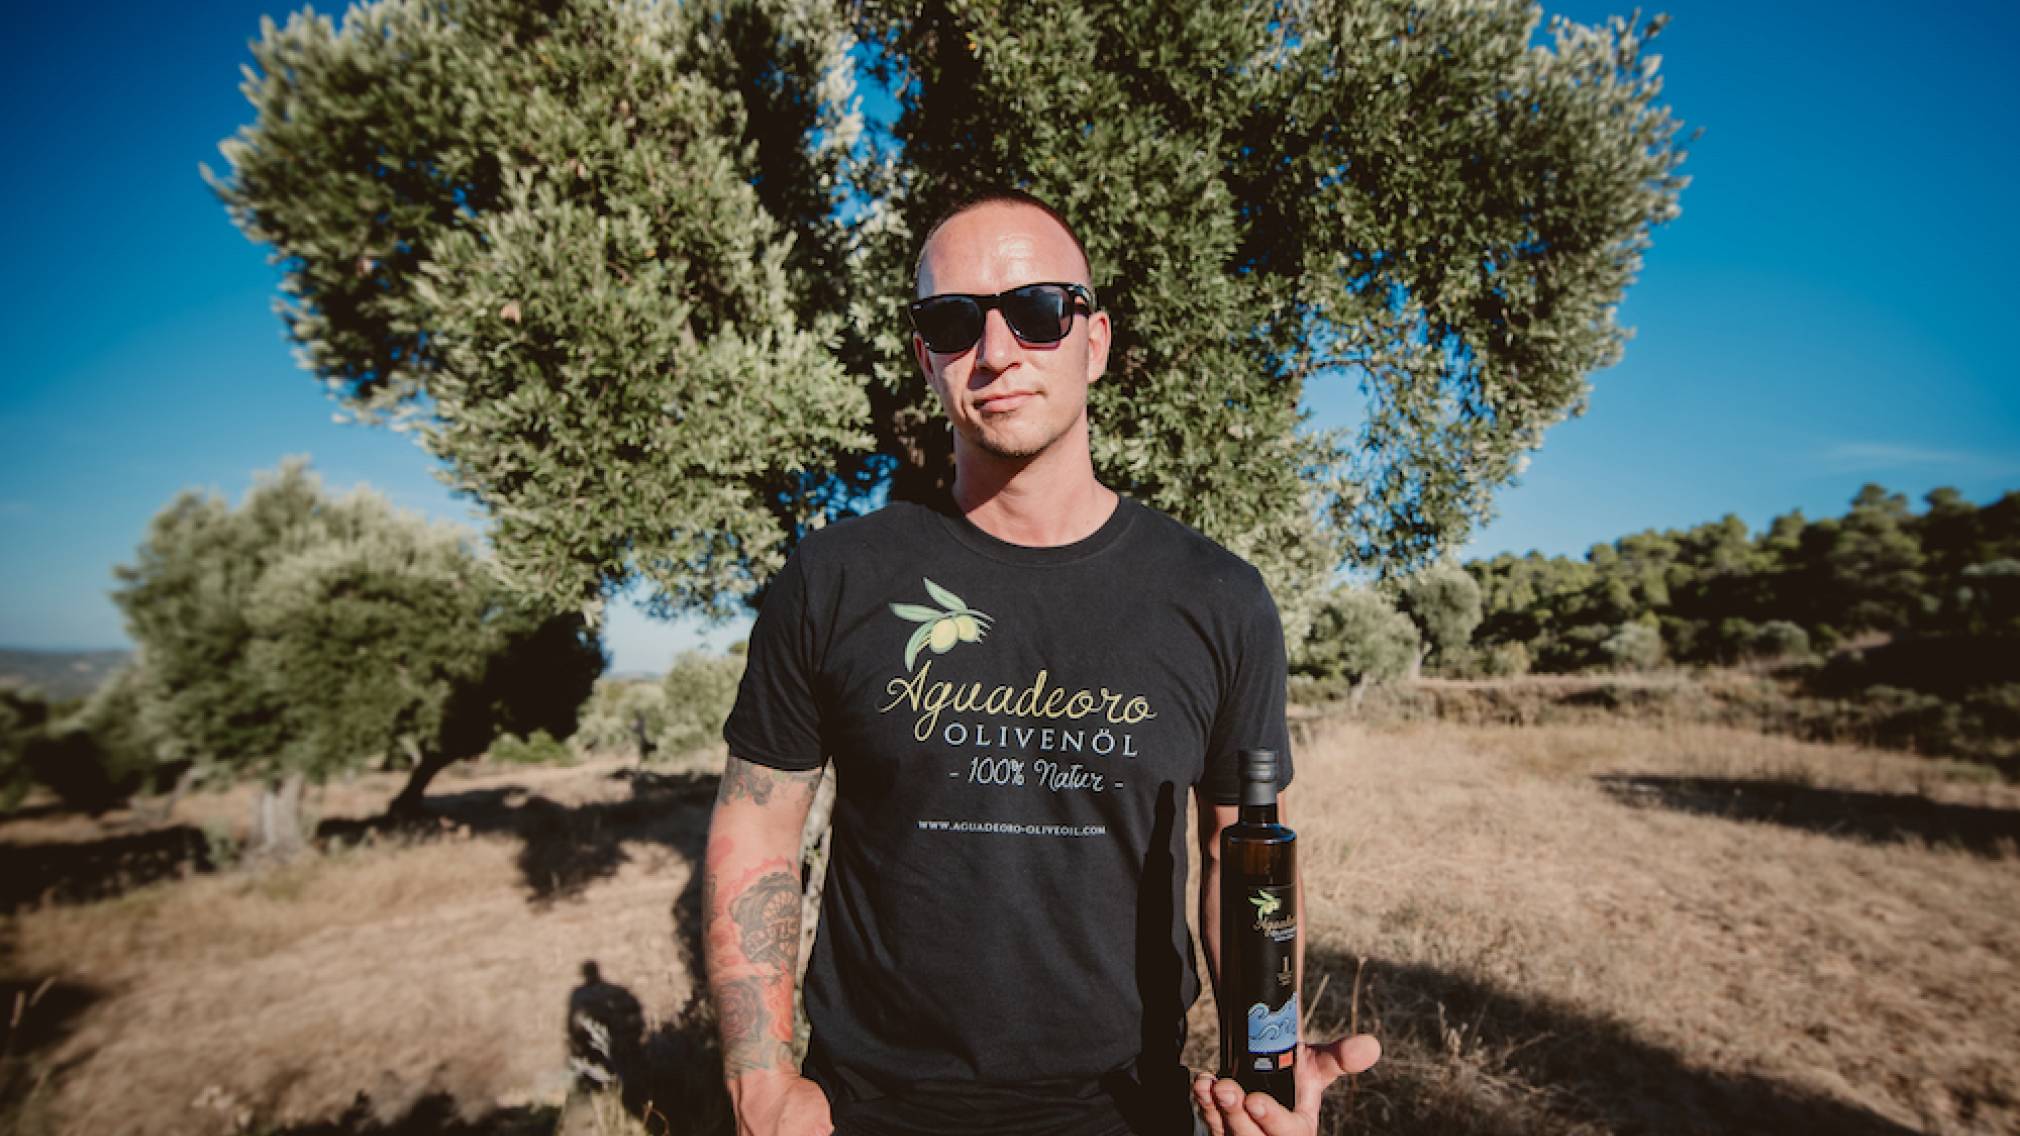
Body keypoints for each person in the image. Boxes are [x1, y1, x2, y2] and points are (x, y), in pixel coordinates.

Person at [703, 189, 1379, 1136]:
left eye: (1038, 311)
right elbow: (757, 833)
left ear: (1093, 340)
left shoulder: (1218, 599)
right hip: (869, 1111)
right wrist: (760, 1085)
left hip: (1126, 1110)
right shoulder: (836, 576)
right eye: (951, 322)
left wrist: (1261, 1067)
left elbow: (1241, 853)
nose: (996, 351)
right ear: (924, 358)